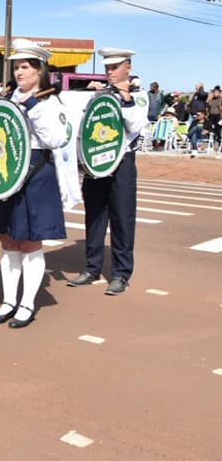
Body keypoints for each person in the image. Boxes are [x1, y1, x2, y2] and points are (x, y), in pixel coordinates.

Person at [0, 41, 68, 328]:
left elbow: (55, 139)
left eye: (25, 66)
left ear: (40, 71)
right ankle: (8, 300)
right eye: (16, 66)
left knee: (29, 241)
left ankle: (27, 303)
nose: (19, 72)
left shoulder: (50, 102)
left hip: (34, 173)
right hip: (5, 172)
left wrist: (33, 108)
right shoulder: (6, 98)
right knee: (7, 238)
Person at [69, 48, 148, 295]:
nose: (109, 72)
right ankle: (91, 268)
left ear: (128, 68)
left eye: (114, 68)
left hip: (122, 162)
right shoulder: (100, 93)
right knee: (94, 216)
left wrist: (125, 98)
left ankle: (121, 274)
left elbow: (135, 125)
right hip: (95, 162)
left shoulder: (139, 95)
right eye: (107, 68)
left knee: (122, 218)